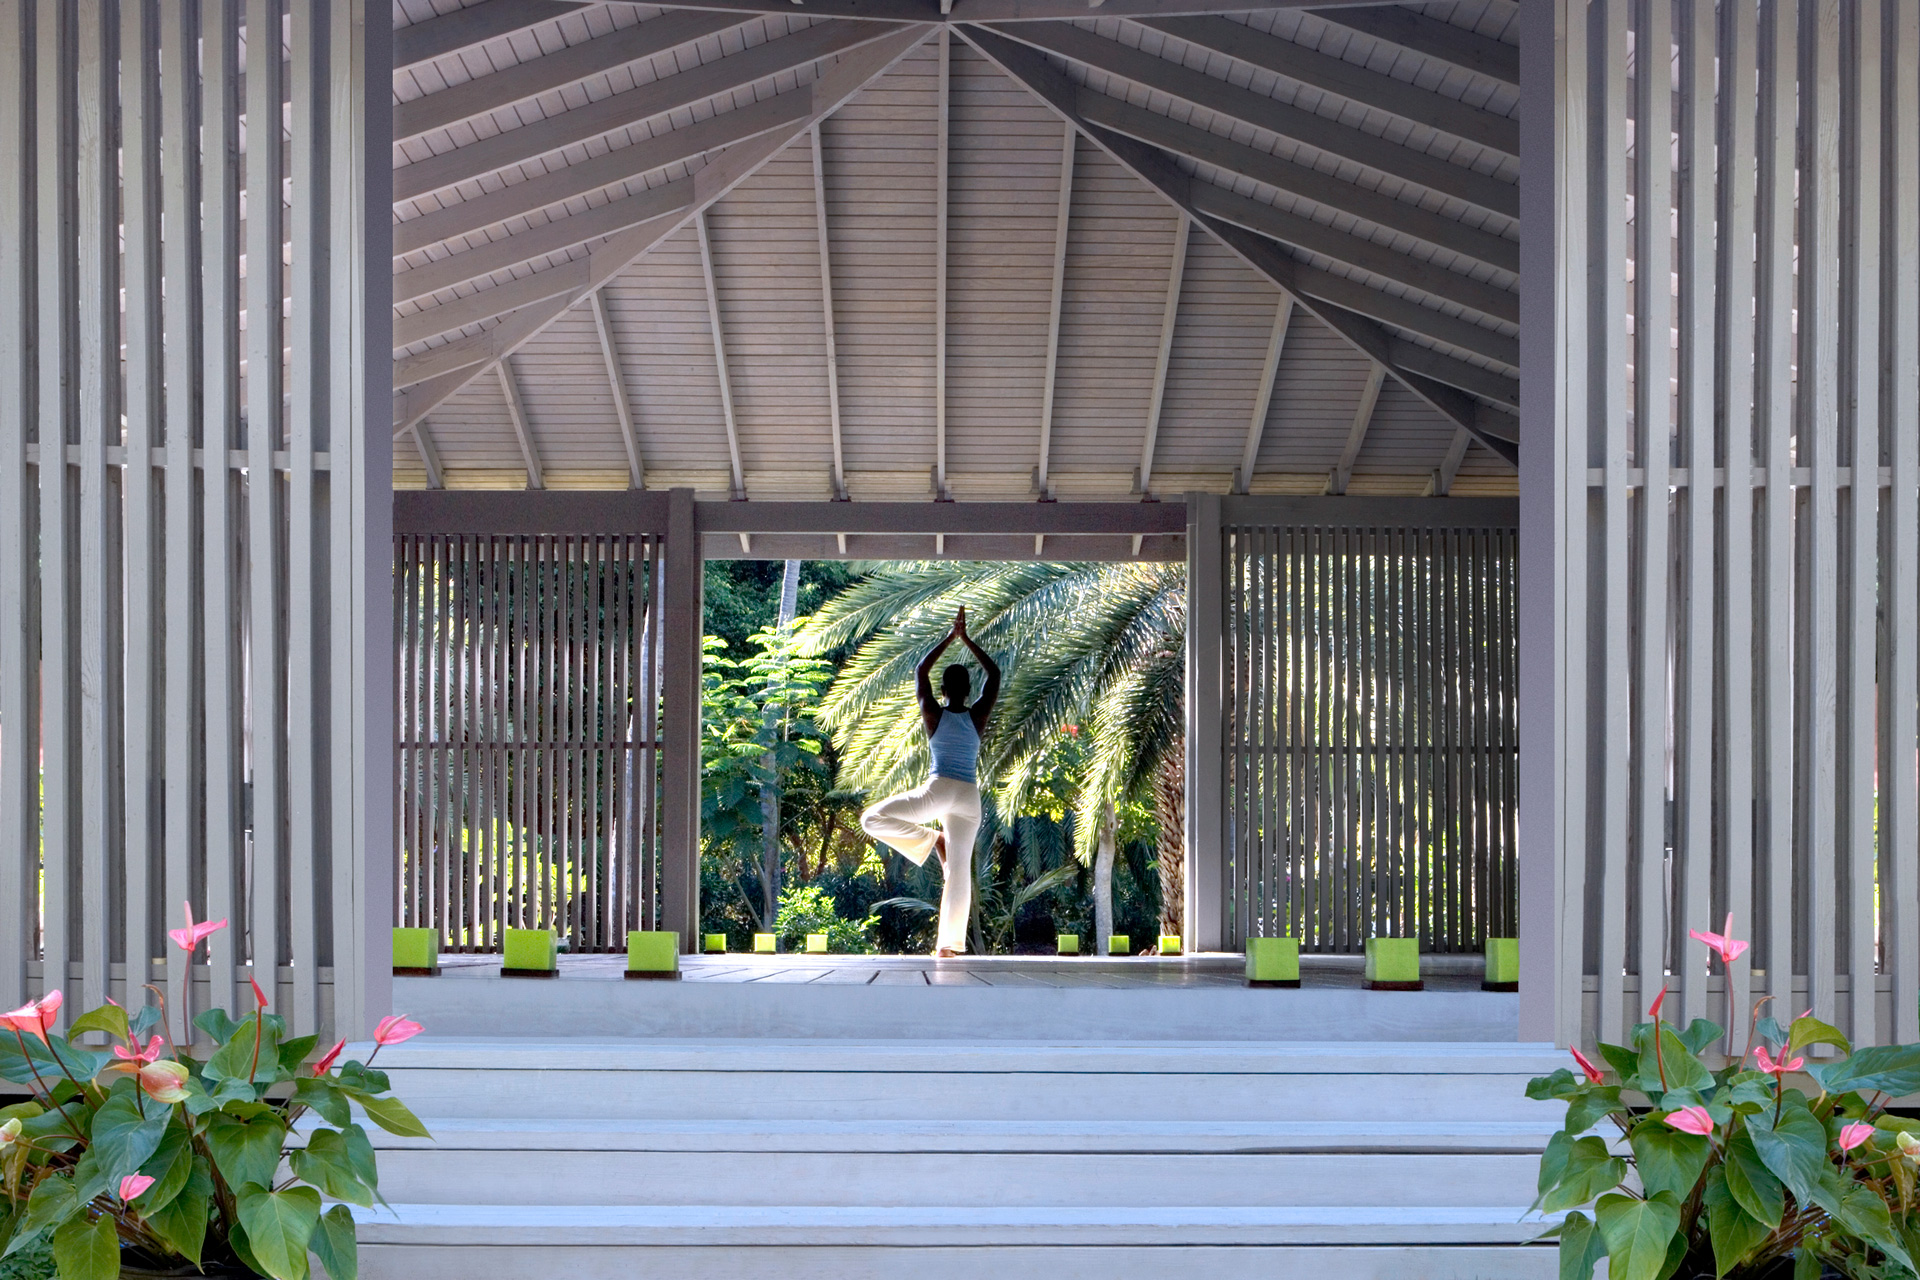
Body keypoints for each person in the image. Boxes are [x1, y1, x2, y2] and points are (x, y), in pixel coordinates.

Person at [859, 606, 1001, 958]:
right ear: (969, 690)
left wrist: (950, 637)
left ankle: (931, 839)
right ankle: (949, 948)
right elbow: (994, 674)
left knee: (871, 819)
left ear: (942, 689)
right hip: (969, 797)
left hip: (939, 791)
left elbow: (921, 669)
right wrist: (967, 640)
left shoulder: (932, 713)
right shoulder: (978, 715)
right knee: (958, 873)